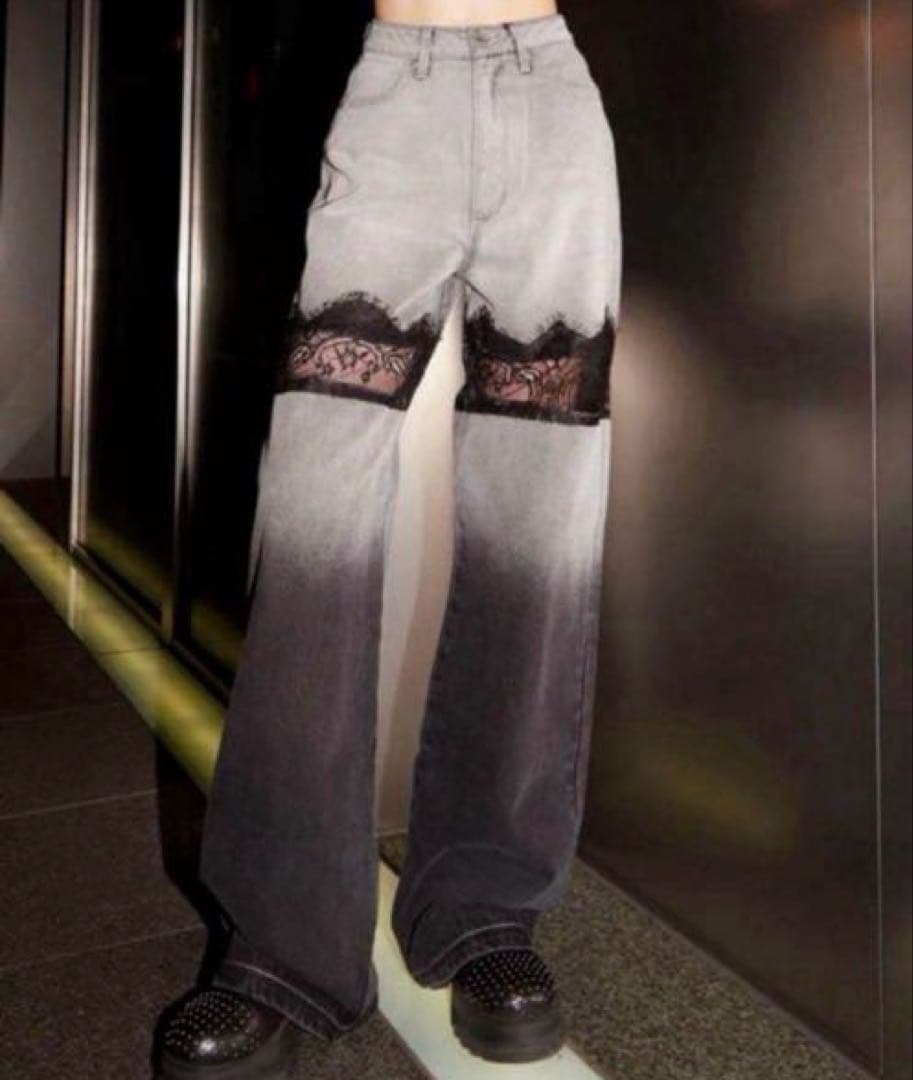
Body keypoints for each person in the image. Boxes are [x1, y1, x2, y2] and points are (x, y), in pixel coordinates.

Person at [156, 0, 622, 1075]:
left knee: (540, 519)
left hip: (553, 101)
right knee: (313, 519)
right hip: (395, 97)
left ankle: (485, 909)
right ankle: (283, 949)